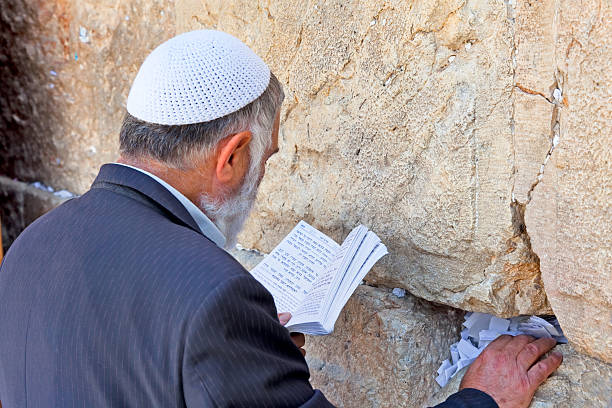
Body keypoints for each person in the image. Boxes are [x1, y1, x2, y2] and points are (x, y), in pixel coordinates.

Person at [0, 30, 562, 408]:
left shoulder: (29, 248)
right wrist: (481, 398)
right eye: (266, 161)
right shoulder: (216, 300)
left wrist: (252, 358)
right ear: (232, 155)